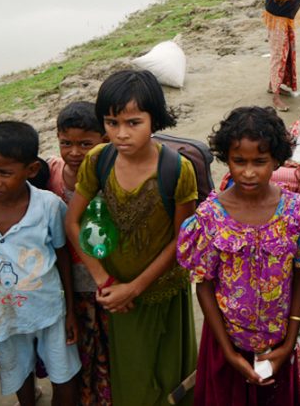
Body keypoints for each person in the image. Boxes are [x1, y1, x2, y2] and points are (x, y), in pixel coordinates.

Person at [63, 70, 199, 406]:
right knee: (132, 374)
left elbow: (181, 242)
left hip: (164, 289)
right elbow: (73, 222)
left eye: (133, 123)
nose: (121, 134)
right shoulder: (98, 160)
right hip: (117, 293)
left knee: (172, 373)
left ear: (155, 119)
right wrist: (105, 280)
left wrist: (134, 287)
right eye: (111, 123)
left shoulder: (177, 170)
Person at [178, 106, 300, 405]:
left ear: (277, 161)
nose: (248, 171)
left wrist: (290, 342)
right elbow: (203, 285)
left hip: (277, 345)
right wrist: (229, 353)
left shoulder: (298, 213)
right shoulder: (209, 217)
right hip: (225, 344)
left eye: (260, 161)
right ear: (226, 159)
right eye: (238, 161)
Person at [0, 121, 79, 405]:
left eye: (5, 173)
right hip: (2, 314)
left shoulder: (48, 206)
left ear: (31, 170)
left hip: (49, 310)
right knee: (16, 371)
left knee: (63, 373)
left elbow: (63, 258)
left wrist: (71, 310)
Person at [46, 101, 112, 405]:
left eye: (85, 143)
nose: (74, 152)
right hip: (73, 283)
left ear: (104, 140)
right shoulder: (53, 174)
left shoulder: (111, 177)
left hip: (107, 280)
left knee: (111, 347)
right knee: (84, 348)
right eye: (66, 143)